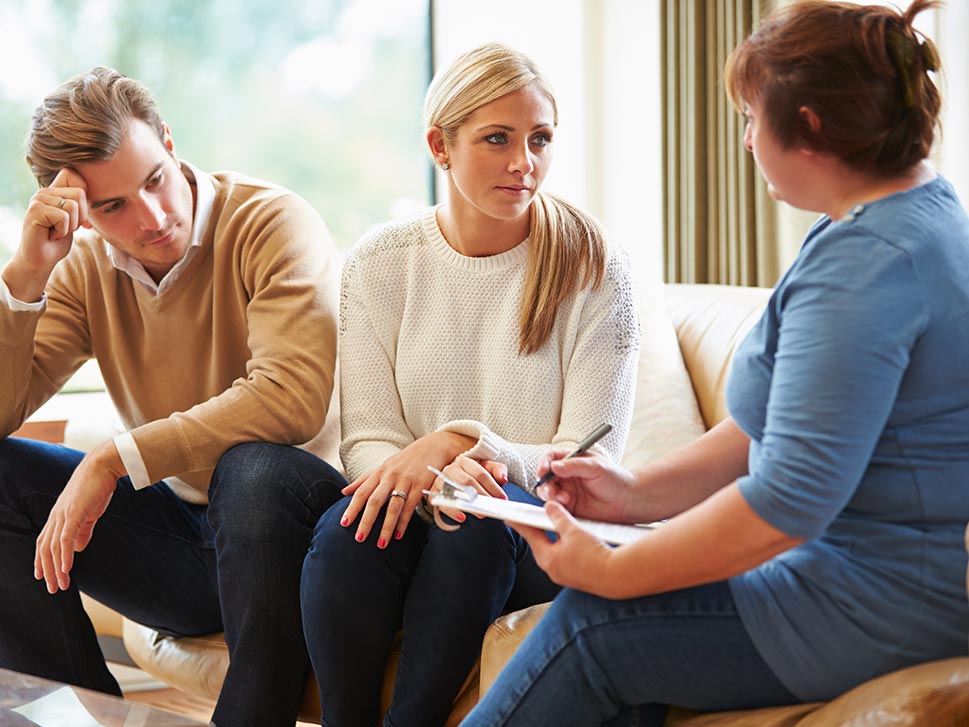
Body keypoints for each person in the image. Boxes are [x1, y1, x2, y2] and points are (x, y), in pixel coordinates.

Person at [461, 2, 969, 726]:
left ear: (808, 125)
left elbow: (789, 498)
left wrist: (616, 568)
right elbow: (775, 430)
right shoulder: (911, 214)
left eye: (752, 118)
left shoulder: (865, 267)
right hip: (881, 581)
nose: (746, 139)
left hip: (877, 603)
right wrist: (633, 494)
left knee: (593, 626)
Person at [298, 43, 640, 727]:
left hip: (539, 529)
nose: (524, 163)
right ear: (440, 146)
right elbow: (367, 440)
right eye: (497, 139)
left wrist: (466, 448)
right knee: (346, 532)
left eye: (540, 139)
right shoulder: (379, 262)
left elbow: (589, 456)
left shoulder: (594, 266)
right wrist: (434, 473)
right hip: (424, 506)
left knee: (475, 519)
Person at [0, 67, 347, 727]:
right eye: (112, 207)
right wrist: (27, 275)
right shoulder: (82, 268)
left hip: (303, 536)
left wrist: (113, 459)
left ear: (167, 139)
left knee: (250, 467)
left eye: (154, 179)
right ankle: (74, 719)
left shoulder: (270, 221)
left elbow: (291, 396)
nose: (154, 217)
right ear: (76, 210)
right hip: (190, 544)